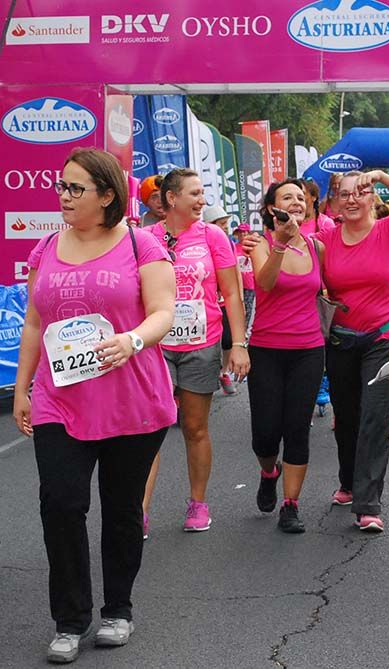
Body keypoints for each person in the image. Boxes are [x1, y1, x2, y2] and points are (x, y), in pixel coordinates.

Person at [11, 148, 176, 663]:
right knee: (61, 503)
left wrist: (133, 340)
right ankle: (69, 620)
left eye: (75, 188)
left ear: (107, 195)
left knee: (122, 510)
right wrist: (22, 388)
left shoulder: (141, 243)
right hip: (61, 399)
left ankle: (118, 610)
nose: (63, 195)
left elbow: (164, 311)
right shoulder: (45, 248)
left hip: (132, 399)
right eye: (61, 186)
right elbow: (35, 322)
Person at [317, 170, 389, 531]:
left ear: (372, 199)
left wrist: (381, 175)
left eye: (360, 193)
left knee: (375, 417)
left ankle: (368, 503)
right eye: (344, 194)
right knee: (346, 418)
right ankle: (349, 483)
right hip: (341, 340)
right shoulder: (324, 240)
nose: (352, 200)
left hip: (384, 339)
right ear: (334, 202)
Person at [143, 168, 250, 535]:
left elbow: (232, 293)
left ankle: (198, 503)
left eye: (203, 193)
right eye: (195, 193)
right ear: (171, 199)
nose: (202, 200)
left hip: (201, 344)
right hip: (156, 347)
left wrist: (238, 344)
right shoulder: (145, 238)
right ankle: (138, 511)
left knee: (194, 427)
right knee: (149, 429)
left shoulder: (213, 236)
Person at [242, 179, 328, 532]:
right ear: (270, 209)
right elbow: (264, 282)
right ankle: (268, 471)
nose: (295, 202)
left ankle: (290, 504)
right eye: (286, 197)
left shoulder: (316, 246)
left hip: (309, 349)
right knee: (265, 433)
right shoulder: (260, 244)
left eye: (300, 197)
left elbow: (326, 290)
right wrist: (280, 242)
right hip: (266, 349)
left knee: (297, 428)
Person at [203, 205, 238, 395]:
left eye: (226, 223)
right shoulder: (201, 243)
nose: (225, 227)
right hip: (207, 302)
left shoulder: (230, 243)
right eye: (221, 224)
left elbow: (235, 274)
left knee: (228, 340)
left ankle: (223, 372)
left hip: (226, 301)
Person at [233, 223, 257, 339]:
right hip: (237, 284)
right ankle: (238, 333)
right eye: (241, 233)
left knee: (248, 309)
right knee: (236, 309)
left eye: (245, 232)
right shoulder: (233, 247)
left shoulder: (253, 247)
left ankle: (245, 333)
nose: (243, 235)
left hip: (250, 285)